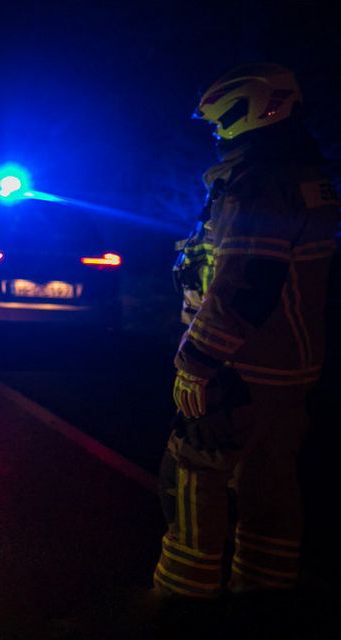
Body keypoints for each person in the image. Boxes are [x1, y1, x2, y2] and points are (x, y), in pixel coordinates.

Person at [155, 63, 339, 616]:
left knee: (191, 467)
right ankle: (264, 592)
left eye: (221, 120)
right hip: (292, 365)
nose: (216, 132)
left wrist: (197, 360)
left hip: (242, 365)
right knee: (269, 476)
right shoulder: (309, 175)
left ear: (253, 107)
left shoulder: (260, 181)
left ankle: (183, 598)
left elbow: (246, 281)